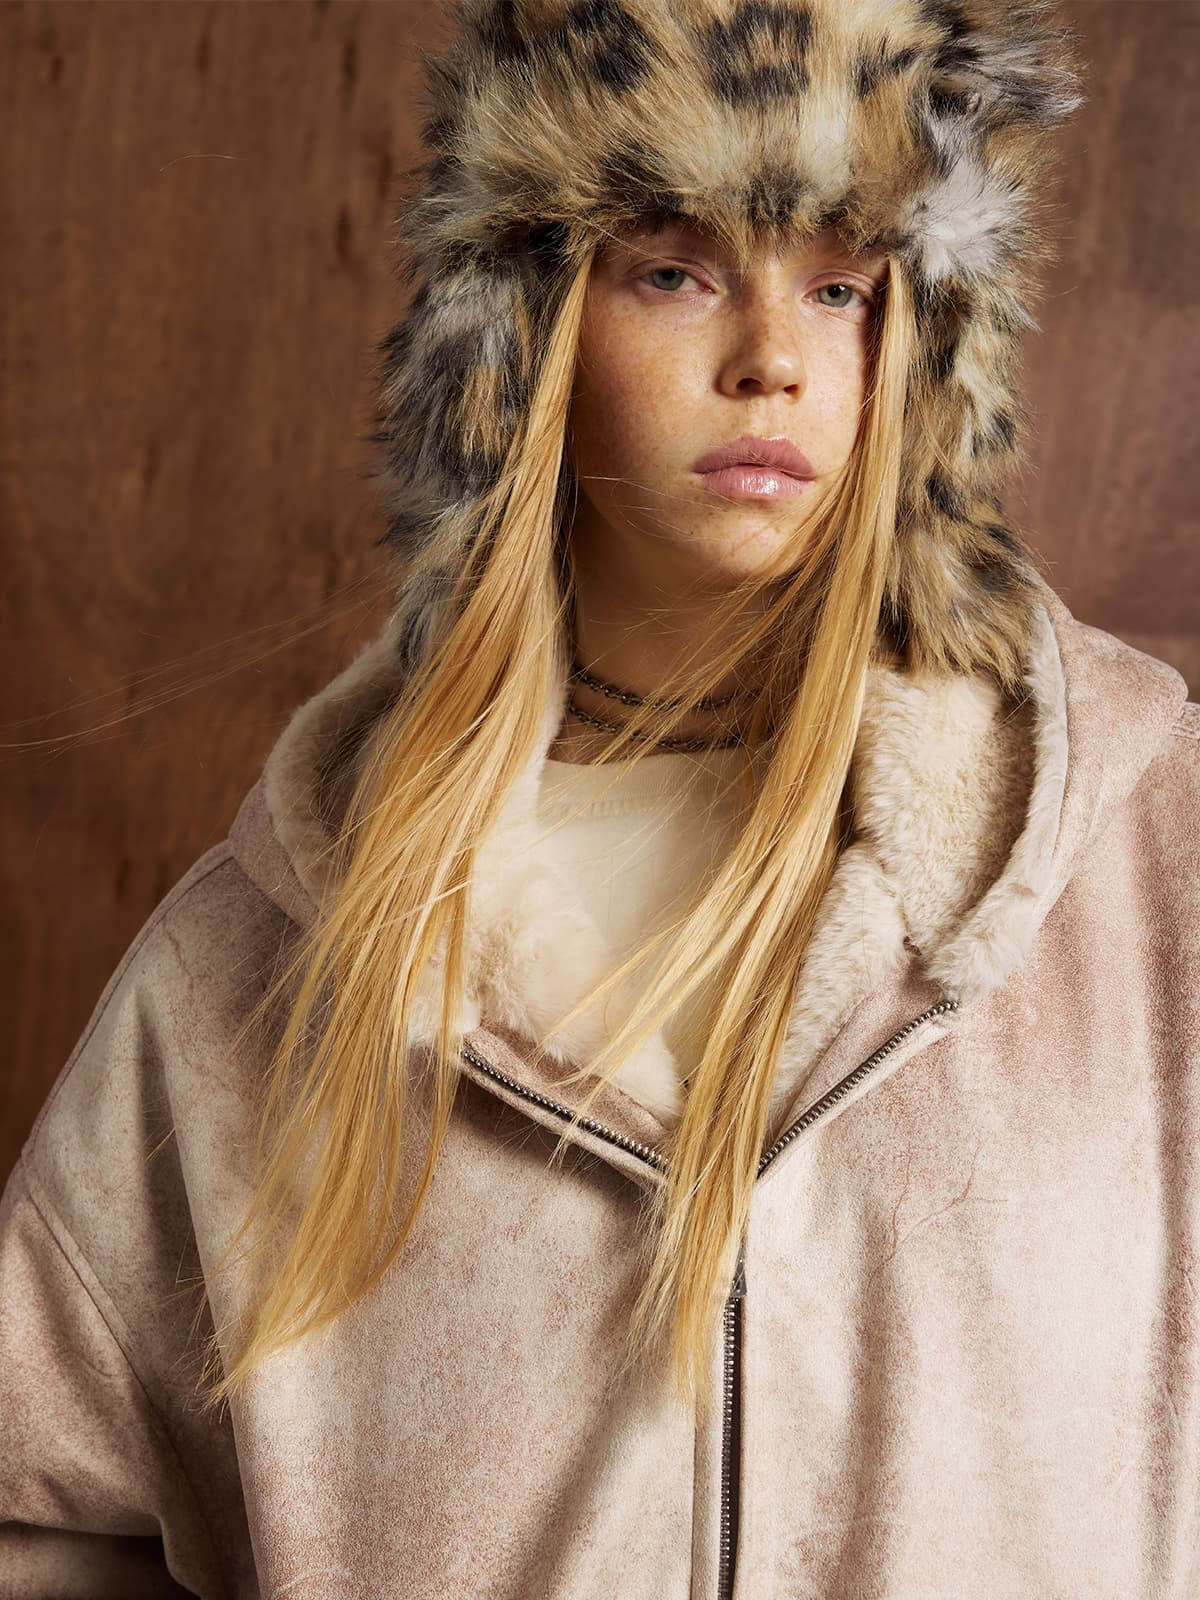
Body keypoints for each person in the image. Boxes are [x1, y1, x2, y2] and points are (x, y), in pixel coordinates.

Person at [2, 0, 1197, 1595]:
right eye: (677, 271)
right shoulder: (266, 959)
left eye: (840, 287)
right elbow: (43, 1514)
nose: (772, 359)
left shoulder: (1144, 866)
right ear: (523, 336)